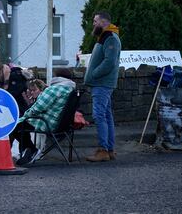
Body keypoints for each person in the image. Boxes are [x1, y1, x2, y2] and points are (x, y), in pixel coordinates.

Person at [8, 68, 75, 166]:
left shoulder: (54, 89)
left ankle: (31, 149)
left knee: (15, 125)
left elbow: (38, 108)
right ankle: (29, 151)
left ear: (57, 77)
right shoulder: (71, 90)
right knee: (21, 124)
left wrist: (24, 116)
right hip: (62, 125)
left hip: (46, 123)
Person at [84, 11, 121, 162]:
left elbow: (109, 62)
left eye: (95, 21)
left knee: (99, 115)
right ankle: (109, 149)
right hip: (102, 83)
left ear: (104, 22)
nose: (93, 24)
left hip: (102, 84)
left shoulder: (110, 38)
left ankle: (103, 150)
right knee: (106, 115)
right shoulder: (105, 36)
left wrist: (94, 74)